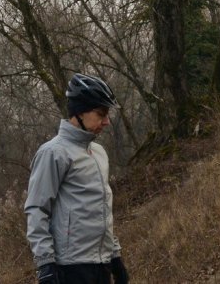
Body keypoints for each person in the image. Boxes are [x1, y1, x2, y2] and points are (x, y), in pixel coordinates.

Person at [25, 73, 130, 284]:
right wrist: (45, 264)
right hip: (70, 268)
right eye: (101, 114)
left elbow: (101, 211)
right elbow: (37, 209)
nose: (107, 121)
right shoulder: (53, 153)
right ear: (80, 112)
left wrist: (115, 256)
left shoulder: (99, 152)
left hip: (102, 264)